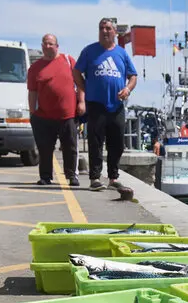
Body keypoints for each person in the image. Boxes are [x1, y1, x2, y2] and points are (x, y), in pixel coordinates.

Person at [75, 18, 138, 191]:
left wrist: (127, 89)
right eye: (102, 28)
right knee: (95, 142)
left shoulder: (122, 54)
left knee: (116, 143)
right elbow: (76, 71)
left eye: (108, 28)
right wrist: (84, 88)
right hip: (96, 104)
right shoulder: (89, 51)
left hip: (116, 105)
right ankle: (95, 178)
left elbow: (133, 76)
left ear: (115, 32)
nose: (104, 31)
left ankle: (113, 177)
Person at [28, 33, 81, 187]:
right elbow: (32, 92)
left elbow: (80, 84)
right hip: (44, 116)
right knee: (44, 149)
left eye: (51, 43)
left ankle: (72, 176)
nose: (47, 46)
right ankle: (45, 177)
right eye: (45, 43)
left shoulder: (68, 61)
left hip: (67, 115)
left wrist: (82, 102)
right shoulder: (35, 68)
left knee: (70, 148)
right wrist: (32, 113)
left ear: (57, 46)